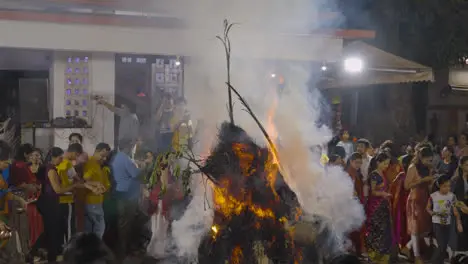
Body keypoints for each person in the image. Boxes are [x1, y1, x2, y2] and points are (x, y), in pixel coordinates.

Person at [40, 147, 103, 263]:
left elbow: (78, 182)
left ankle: (62, 256)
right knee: (66, 232)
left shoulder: (60, 166)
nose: (61, 159)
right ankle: (67, 256)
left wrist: (91, 186)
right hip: (61, 202)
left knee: (63, 231)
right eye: (59, 157)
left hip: (60, 202)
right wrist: (79, 186)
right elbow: (60, 189)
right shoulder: (54, 169)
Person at [108, 141, 141, 259]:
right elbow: (136, 174)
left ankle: (122, 250)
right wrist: (142, 167)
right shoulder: (125, 158)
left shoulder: (116, 158)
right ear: (128, 147)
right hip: (127, 195)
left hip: (119, 193)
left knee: (122, 223)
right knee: (126, 224)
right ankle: (123, 251)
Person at [405, 147, 434, 264]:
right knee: (416, 228)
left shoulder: (428, 168)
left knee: (425, 228)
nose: (429, 163)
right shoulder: (413, 167)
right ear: (421, 157)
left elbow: (430, 185)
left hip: (425, 198)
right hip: (415, 199)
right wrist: (422, 180)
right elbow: (406, 186)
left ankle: (407, 247)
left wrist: (432, 180)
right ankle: (416, 256)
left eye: (430, 160)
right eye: (427, 160)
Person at [426, 175, 462, 264]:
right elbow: (427, 208)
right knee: (441, 245)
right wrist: (433, 213)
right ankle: (432, 262)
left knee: (444, 246)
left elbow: (455, 211)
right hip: (437, 223)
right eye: (445, 186)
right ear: (440, 186)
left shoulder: (452, 196)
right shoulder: (433, 196)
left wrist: (458, 223)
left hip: (448, 223)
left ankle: (440, 262)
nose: (447, 188)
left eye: (449, 186)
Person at [365, 152, 393, 264]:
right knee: (376, 231)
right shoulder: (374, 175)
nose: (386, 166)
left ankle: (382, 258)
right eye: (385, 164)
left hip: (383, 207)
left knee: (385, 232)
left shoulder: (382, 173)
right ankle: (373, 258)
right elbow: (373, 192)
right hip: (375, 208)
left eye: (388, 164)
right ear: (378, 162)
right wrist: (383, 194)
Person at [56, 143, 83, 247]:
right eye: (76, 156)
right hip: (66, 199)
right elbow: (77, 180)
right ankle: (69, 250)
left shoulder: (59, 162)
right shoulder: (67, 164)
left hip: (57, 199)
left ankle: (64, 248)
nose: (76, 158)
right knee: (69, 227)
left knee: (62, 226)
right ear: (74, 153)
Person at [83, 143, 112, 238]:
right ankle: (96, 249)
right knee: (99, 228)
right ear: (96, 151)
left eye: (105, 157)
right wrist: (96, 185)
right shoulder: (91, 163)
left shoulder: (96, 164)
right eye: (102, 156)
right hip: (93, 202)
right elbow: (85, 179)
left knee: (89, 230)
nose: (104, 159)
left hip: (92, 202)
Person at [345, 152, 365, 257]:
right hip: (349, 204)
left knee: (356, 228)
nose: (358, 165)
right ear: (351, 161)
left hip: (356, 202)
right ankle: (354, 252)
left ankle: (357, 252)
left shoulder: (356, 172)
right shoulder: (348, 173)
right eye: (356, 162)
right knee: (352, 228)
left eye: (360, 163)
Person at [451, 156, 468, 259]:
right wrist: (462, 206)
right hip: (458, 210)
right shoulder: (456, 180)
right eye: (467, 165)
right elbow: (452, 198)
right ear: (461, 166)